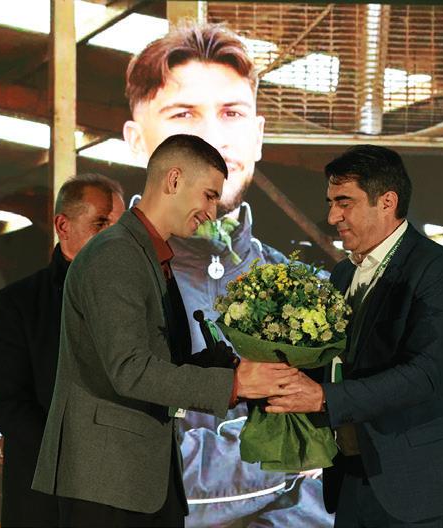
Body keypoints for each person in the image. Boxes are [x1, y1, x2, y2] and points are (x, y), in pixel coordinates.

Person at [123, 21, 333, 527]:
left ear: (257, 137)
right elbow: (132, 472)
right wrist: (293, 453)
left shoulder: (310, 295)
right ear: (136, 141)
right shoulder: (94, 285)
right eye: (183, 114)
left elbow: (346, 481)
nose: (212, 139)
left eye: (231, 113)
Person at [32, 134, 299, 527]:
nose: (212, 212)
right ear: (173, 180)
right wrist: (235, 384)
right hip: (108, 480)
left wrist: (223, 366)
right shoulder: (116, 254)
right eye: (209, 196)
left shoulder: (151, 255)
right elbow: (130, 370)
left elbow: (159, 361)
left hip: (143, 477)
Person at [266, 145, 443, 527]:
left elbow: (426, 374)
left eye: (344, 203)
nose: (332, 216)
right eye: (331, 203)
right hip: (351, 476)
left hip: (419, 484)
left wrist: (324, 398)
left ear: (387, 202)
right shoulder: (343, 274)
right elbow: (332, 361)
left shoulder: (440, 271)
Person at [0, 174, 125, 527]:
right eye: (101, 223)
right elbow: (10, 406)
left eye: (121, 227)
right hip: (46, 500)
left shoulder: (139, 303)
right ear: (63, 226)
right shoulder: (18, 303)